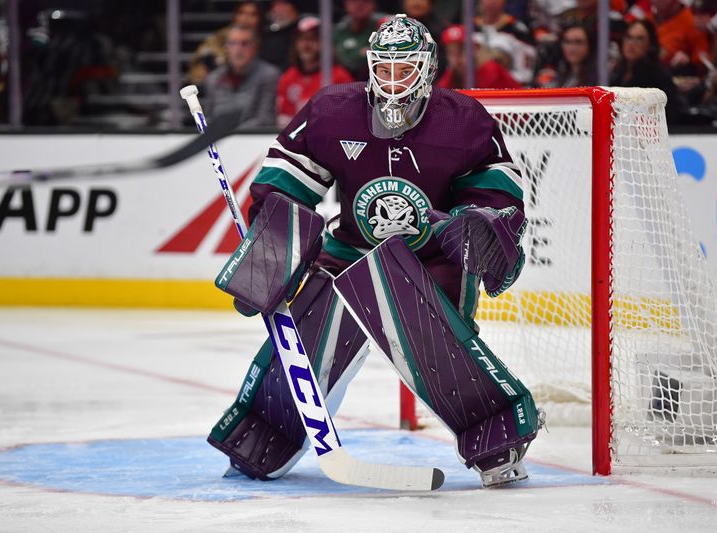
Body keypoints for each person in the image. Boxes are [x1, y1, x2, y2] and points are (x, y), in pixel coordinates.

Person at [207, 14, 542, 488]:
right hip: (353, 248)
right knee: (306, 336)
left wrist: (474, 225)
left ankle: (496, 437)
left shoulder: (463, 120)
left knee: (439, 345)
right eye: (382, 68)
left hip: (433, 257)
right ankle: (266, 432)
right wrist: (267, 258)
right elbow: (287, 182)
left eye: (403, 69)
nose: (391, 81)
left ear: (426, 69)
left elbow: (497, 193)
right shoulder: (334, 110)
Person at [276, 15, 354, 127]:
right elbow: (284, 119)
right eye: (302, 39)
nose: (306, 44)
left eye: (313, 39)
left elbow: (347, 118)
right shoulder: (288, 77)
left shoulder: (339, 77)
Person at [203, 25, 279, 128]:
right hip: (217, 141)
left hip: (252, 140)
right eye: (233, 43)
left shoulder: (269, 75)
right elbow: (209, 117)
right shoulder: (214, 78)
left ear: (255, 47)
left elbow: (265, 119)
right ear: (226, 48)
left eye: (245, 44)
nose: (238, 49)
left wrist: (231, 134)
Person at [610, 19, 683, 123]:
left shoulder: (659, 77)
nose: (631, 43)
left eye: (639, 39)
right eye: (628, 37)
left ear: (650, 45)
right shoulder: (617, 73)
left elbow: (670, 115)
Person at [187, 1, 265, 86]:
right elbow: (197, 63)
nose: (245, 18)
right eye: (241, 13)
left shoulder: (268, 40)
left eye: (253, 14)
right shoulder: (220, 37)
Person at [436, 24, 522, 89]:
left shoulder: (490, 70)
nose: (457, 58)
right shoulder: (452, 74)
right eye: (451, 53)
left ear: (475, 48)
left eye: (461, 50)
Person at [334, 0, 387, 80]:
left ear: (374, 4)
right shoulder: (339, 30)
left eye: (365, 1)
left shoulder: (384, 27)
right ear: (345, 4)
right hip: (343, 81)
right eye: (354, 1)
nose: (359, 4)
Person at [538, 22, 597, 88]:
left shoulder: (600, 78)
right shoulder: (560, 77)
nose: (572, 47)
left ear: (590, 45)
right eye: (567, 42)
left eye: (578, 42)